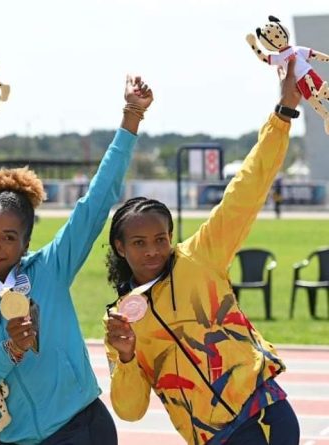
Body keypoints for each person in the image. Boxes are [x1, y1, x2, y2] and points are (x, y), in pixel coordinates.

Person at [0, 74, 153, 445]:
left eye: (8, 237)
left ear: (26, 244)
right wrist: (10, 350)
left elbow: (97, 202)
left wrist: (132, 114)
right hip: (12, 440)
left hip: (81, 430)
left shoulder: (49, 269)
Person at [103, 59, 302, 445]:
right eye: (139, 243)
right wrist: (126, 355)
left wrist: (283, 113)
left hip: (265, 413)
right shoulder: (122, 320)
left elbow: (246, 189)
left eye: (161, 239)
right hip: (214, 438)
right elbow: (130, 410)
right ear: (120, 247)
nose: (153, 251)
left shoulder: (200, 256)